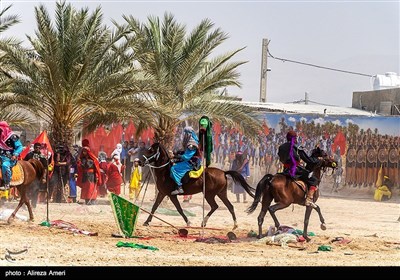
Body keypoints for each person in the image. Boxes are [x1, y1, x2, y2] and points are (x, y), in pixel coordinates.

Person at [278, 130, 320, 207]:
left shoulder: (281, 147)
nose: (297, 139)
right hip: (296, 170)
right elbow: (308, 160)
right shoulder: (297, 148)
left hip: (285, 170)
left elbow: (281, 159)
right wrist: (317, 160)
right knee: (314, 179)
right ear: (294, 138)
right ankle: (308, 199)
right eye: (296, 137)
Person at [170, 126, 200, 195]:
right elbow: (184, 152)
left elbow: (186, 157)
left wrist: (176, 156)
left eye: (185, 133)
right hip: (187, 161)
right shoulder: (189, 142)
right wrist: (176, 153)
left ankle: (179, 187)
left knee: (174, 168)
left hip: (190, 163)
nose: (184, 135)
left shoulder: (192, 144)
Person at [0, 121, 24, 191]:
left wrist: (15, 154)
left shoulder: (12, 136)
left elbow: (20, 147)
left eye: (0, 129)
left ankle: (7, 183)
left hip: (9, 158)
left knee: (5, 165)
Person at [23, 143, 48, 207]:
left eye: (39, 148)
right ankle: (26, 204)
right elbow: (24, 164)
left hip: (38, 176)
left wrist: (44, 177)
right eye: (36, 147)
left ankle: (33, 205)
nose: (37, 149)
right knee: (27, 189)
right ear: (34, 148)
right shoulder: (29, 155)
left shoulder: (42, 156)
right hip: (29, 175)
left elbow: (45, 168)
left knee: (36, 189)